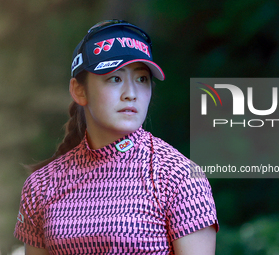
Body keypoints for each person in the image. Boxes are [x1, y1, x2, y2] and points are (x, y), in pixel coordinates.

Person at [14, 19, 219, 255]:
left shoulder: (179, 177)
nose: (131, 94)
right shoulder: (41, 186)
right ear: (79, 90)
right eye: (115, 78)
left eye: (142, 79)